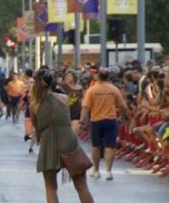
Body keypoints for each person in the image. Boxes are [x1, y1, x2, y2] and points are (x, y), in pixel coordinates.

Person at [30, 68, 94, 203]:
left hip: (48, 142)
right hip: (68, 139)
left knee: (51, 187)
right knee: (82, 185)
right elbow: (67, 116)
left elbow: (37, 129)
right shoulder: (64, 98)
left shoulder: (34, 105)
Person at [80, 68, 127, 181]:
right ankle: (108, 171)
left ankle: (96, 170)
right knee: (110, 146)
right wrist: (123, 117)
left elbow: (85, 107)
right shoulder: (114, 90)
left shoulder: (92, 90)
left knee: (96, 146)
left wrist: (81, 121)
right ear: (108, 77)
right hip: (110, 120)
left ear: (98, 77)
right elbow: (122, 106)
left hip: (96, 121)